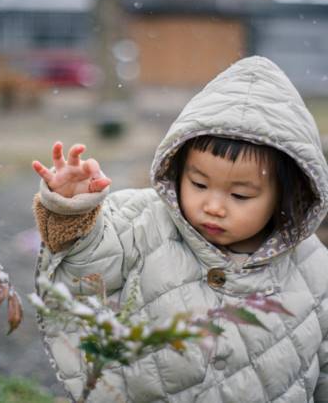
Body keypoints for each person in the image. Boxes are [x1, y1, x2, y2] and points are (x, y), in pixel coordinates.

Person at [32, 56, 328, 403]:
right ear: (178, 168)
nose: (214, 206)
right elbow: (85, 266)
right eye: (199, 184)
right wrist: (73, 208)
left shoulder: (314, 269)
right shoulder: (141, 221)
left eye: (240, 195)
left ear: (286, 195)